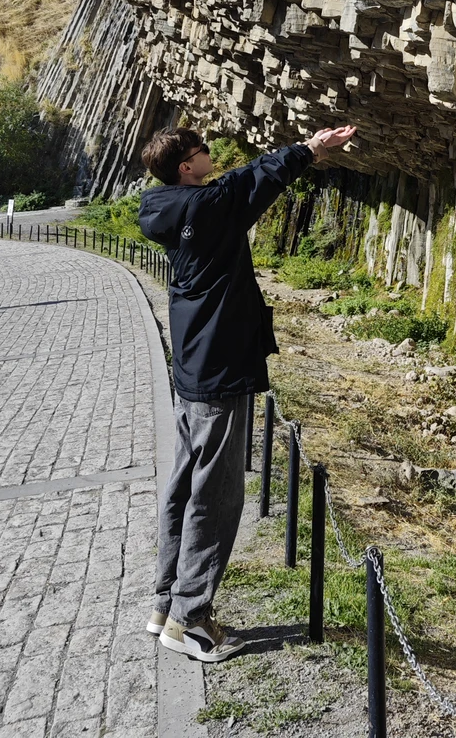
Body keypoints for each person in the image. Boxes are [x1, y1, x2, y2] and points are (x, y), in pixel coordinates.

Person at [138, 121, 355, 661]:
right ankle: (191, 621)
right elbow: (255, 181)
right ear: (187, 167)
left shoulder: (162, 205)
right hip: (219, 372)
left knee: (184, 486)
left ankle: (165, 601)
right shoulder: (207, 207)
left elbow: (242, 181)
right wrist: (310, 148)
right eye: (201, 150)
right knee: (218, 494)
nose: (211, 154)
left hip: (191, 369)